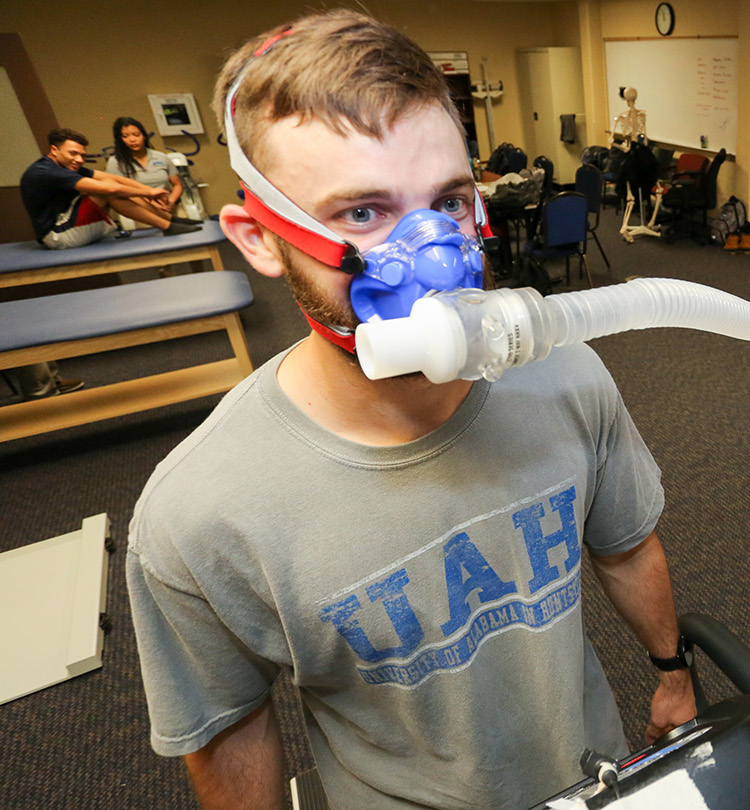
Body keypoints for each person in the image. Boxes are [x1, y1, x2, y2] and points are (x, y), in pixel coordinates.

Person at [125, 10, 694, 810]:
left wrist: (673, 672)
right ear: (259, 238)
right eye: (364, 212)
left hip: (594, 779)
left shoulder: (566, 375)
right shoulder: (200, 514)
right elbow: (231, 728)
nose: (437, 254)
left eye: (451, 201)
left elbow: (627, 546)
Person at [20, 127, 198, 249]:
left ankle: (168, 219)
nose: (79, 160)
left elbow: (113, 178)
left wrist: (149, 191)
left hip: (68, 222)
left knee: (112, 185)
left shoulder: (66, 165)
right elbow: (109, 189)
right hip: (57, 236)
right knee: (106, 192)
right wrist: (149, 192)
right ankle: (167, 226)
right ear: (54, 150)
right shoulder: (48, 171)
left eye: (82, 155)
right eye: (73, 154)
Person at [105, 116, 185, 216]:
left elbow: (177, 184)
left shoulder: (161, 157)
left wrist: (171, 202)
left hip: (168, 206)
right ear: (120, 140)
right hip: (139, 211)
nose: (132, 139)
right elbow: (119, 191)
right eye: (125, 136)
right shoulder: (115, 162)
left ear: (144, 136)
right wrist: (151, 205)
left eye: (136, 135)